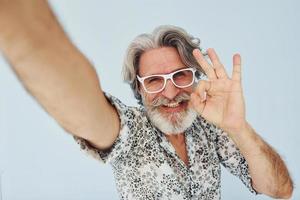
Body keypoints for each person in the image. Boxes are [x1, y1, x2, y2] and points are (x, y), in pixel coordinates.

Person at [0, 0, 293, 199]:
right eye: (154, 81)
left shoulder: (211, 126)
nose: (169, 93)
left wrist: (239, 128)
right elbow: (86, 110)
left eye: (180, 76)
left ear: (195, 78)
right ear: (139, 89)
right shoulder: (131, 131)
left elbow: (280, 190)